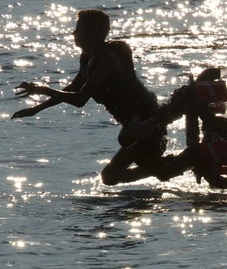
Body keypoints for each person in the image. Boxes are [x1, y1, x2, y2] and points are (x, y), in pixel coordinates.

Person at [11, 9, 189, 186]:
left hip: (145, 126)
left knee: (123, 146)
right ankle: (181, 162)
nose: (73, 33)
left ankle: (168, 118)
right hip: (134, 126)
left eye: (78, 30)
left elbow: (80, 99)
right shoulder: (88, 57)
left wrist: (43, 90)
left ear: (92, 34)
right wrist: (36, 109)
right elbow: (73, 88)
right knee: (113, 176)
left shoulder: (108, 60)